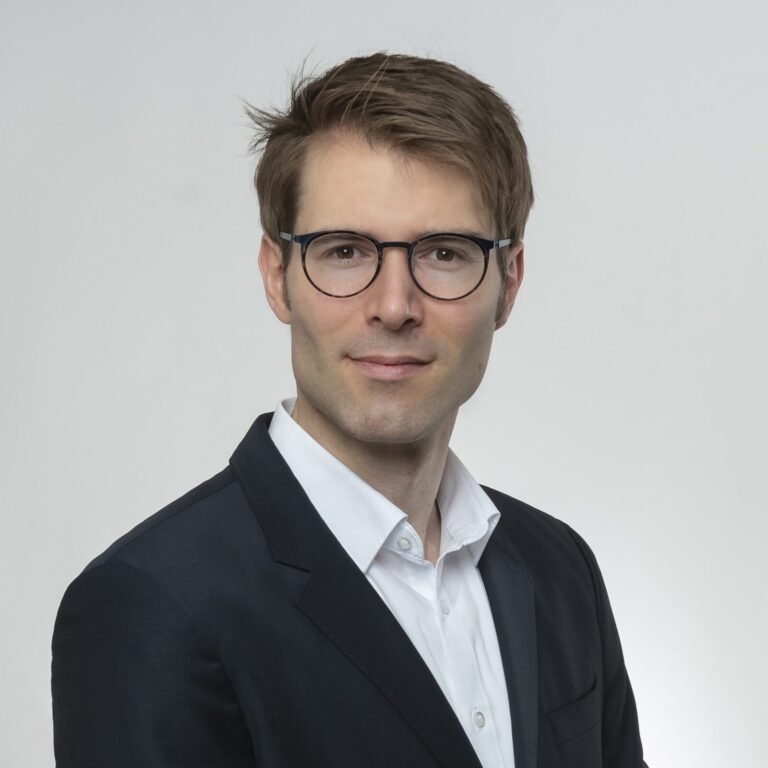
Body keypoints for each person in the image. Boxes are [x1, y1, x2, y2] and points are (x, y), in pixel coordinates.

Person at [51, 52, 648, 767]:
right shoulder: (152, 603)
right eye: (344, 251)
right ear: (278, 277)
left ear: (508, 284)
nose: (394, 306)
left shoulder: (559, 568)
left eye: (445, 253)